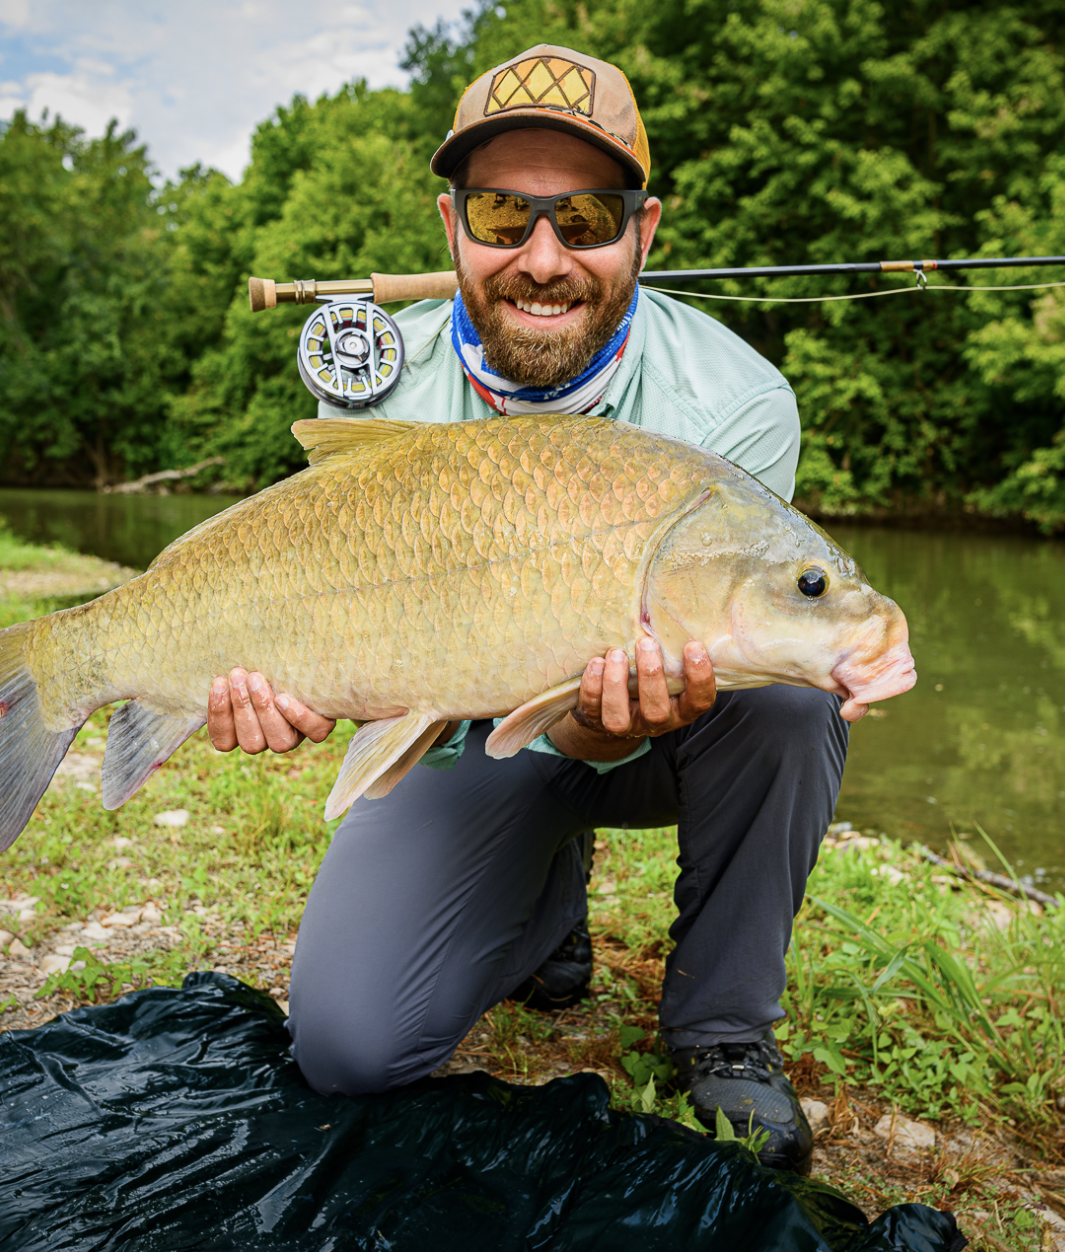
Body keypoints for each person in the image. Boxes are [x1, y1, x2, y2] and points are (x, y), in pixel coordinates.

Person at [203, 45, 855, 1172]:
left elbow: (729, 640)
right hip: (462, 734)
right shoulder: (376, 374)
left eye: (586, 216)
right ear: (450, 224)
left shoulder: (737, 401)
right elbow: (338, 615)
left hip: (673, 722)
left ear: (644, 231)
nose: (542, 258)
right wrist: (287, 684)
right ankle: (546, 903)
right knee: (347, 1049)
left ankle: (721, 1027)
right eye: (503, 215)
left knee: (792, 689)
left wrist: (606, 721)